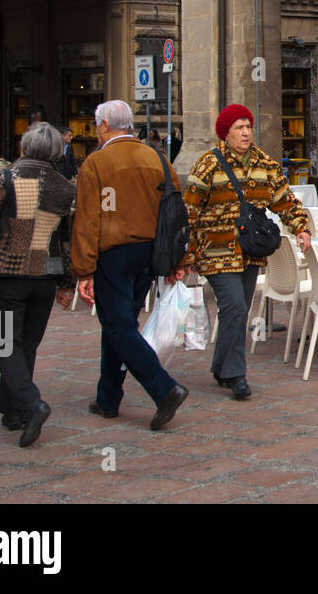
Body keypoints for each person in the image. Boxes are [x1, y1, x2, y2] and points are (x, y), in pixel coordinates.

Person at [175, 104, 311, 400]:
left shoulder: (265, 163)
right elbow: (189, 211)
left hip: (250, 251)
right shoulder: (207, 164)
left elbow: (284, 199)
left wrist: (300, 226)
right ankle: (236, 374)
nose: (246, 132)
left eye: (248, 125)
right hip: (215, 250)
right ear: (225, 133)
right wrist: (186, 255)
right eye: (239, 127)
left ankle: (221, 366)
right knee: (235, 307)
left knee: (236, 310)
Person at [71, 101, 188, 431]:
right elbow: (174, 214)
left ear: (105, 125)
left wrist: (83, 269)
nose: (96, 131)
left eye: (97, 125)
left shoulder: (96, 163)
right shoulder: (157, 159)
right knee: (118, 324)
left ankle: (164, 389)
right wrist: (177, 259)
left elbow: (87, 220)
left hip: (114, 254)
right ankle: (108, 398)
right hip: (148, 253)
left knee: (120, 326)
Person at [0, 122, 76, 447]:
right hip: (45, 275)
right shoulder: (66, 187)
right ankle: (12, 413)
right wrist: (67, 281)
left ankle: (32, 403)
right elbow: (66, 240)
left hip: (8, 275)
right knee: (25, 346)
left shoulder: (5, 177)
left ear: (24, 146)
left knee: (2, 344)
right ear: (57, 151)